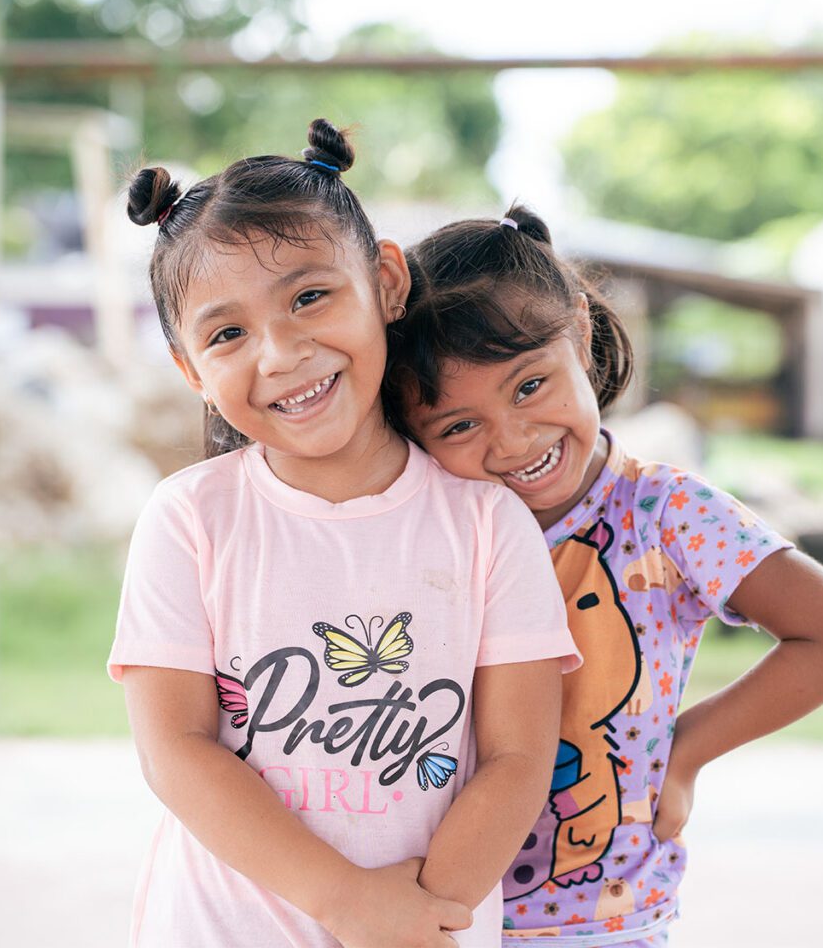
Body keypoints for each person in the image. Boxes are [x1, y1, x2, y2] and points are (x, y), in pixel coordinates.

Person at [108, 126, 581, 948]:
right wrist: (344, 902)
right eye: (227, 334)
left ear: (386, 282)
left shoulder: (483, 521)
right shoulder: (188, 519)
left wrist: (423, 914)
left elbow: (516, 759)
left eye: (309, 297)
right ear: (190, 370)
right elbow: (178, 751)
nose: (283, 352)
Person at [385, 204, 823, 948]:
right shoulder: (421, 526)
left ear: (581, 338)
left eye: (530, 386)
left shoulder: (665, 513)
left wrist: (684, 751)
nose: (514, 439)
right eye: (459, 425)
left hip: (607, 925)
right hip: (434, 918)